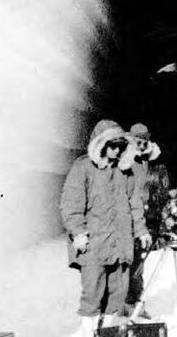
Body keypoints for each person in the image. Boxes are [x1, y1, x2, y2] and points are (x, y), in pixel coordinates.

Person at [61, 119, 152, 336]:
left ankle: (111, 331)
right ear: (100, 144)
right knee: (92, 294)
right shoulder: (83, 167)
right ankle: (88, 331)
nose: (115, 150)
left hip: (121, 244)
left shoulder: (126, 172)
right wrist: (78, 232)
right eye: (111, 145)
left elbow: (135, 204)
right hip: (94, 245)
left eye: (120, 146)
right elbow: (71, 204)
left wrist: (141, 230)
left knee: (118, 294)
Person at [124, 123, 172, 317]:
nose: (142, 145)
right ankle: (127, 303)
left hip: (146, 219)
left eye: (145, 141)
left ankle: (135, 302)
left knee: (139, 262)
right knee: (129, 262)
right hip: (129, 219)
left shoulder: (151, 163)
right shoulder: (125, 163)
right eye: (138, 141)